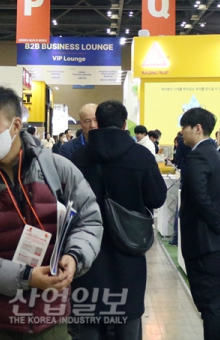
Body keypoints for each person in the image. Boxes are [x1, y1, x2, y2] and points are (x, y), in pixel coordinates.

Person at [0, 85, 102, 339]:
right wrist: (25, 277)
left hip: (51, 316)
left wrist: (75, 256)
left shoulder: (58, 169)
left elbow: (89, 220)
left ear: (15, 125)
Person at [71, 101, 166, 340]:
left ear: (97, 123)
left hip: (88, 248)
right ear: (125, 124)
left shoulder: (79, 156)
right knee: (127, 314)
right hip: (128, 247)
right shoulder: (140, 155)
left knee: (89, 316)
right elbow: (157, 197)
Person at [178, 107, 220, 340]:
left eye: (184, 127)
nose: (182, 133)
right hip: (212, 242)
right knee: (216, 301)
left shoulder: (199, 155)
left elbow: (200, 198)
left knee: (210, 304)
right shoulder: (213, 153)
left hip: (203, 242)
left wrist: (219, 223)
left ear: (198, 128)